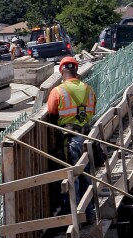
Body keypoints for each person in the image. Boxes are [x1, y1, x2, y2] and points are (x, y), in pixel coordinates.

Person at [47, 56, 97, 222]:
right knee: (86, 174)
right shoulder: (89, 89)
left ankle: (72, 217)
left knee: (72, 176)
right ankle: (89, 213)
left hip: (71, 139)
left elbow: (52, 114)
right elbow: (93, 111)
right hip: (88, 137)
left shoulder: (58, 91)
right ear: (76, 70)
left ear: (62, 71)